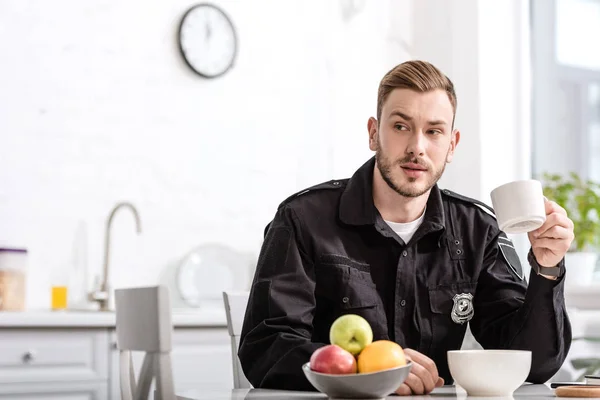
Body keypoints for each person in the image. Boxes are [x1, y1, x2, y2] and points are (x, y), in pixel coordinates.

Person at [238, 60, 574, 395]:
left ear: (452, 144)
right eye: (401, 126)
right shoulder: (302, 219)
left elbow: (532, 363)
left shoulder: (478, 230)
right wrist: (375, 369)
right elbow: (265, 348)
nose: (417, 147)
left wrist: (546, 269)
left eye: (434, 131)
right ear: (373, 133)